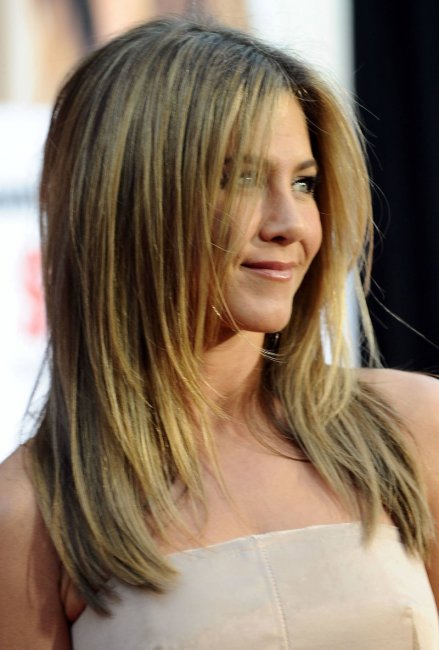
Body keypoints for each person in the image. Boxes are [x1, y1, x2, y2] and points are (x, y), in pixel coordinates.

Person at [0, 17, 438, 649]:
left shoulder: (412, 431)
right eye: (238, 178)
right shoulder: (33, 514)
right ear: (130, 199)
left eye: (304, 183)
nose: (290, 224)